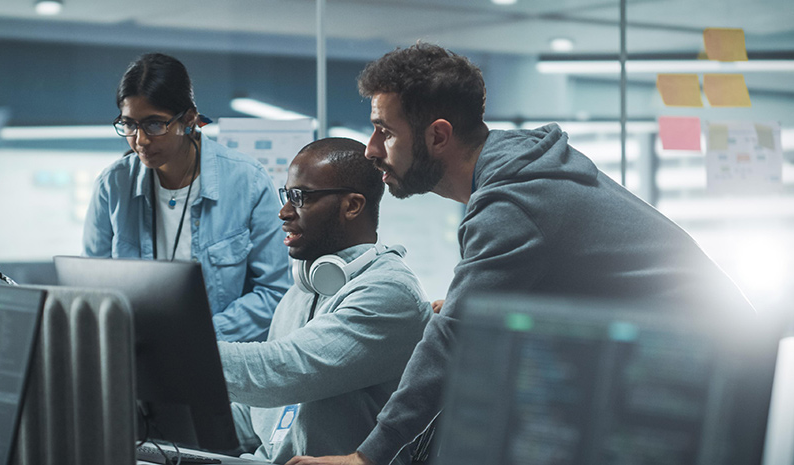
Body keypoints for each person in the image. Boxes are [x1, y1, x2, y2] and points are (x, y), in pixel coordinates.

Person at [287, 43, 753, 465]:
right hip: (699, 373)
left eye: (384, 132)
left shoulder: (513, 202)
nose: (370, 150)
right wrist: (485, 304)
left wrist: (368, 458)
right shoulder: (515, 170)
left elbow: (451, 343)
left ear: (438, 136)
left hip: (712, 395)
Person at [219, 138, 431, 464]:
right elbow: (256, 418)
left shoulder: (390, 294)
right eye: (286, 195)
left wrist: (183, 357)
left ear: (352, 206)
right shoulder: (302, 291)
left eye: (300, 197)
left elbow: (282, 372)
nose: (284, 212)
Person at [84, 53, 290, 342]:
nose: (140, 140)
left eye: (154, 124)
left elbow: (274, 292)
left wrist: (197, 337)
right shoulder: (112, 185)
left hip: (219, 362)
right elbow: (91, 289)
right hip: (137, 358)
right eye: (129, 124)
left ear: (189, 119)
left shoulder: (248, 181)